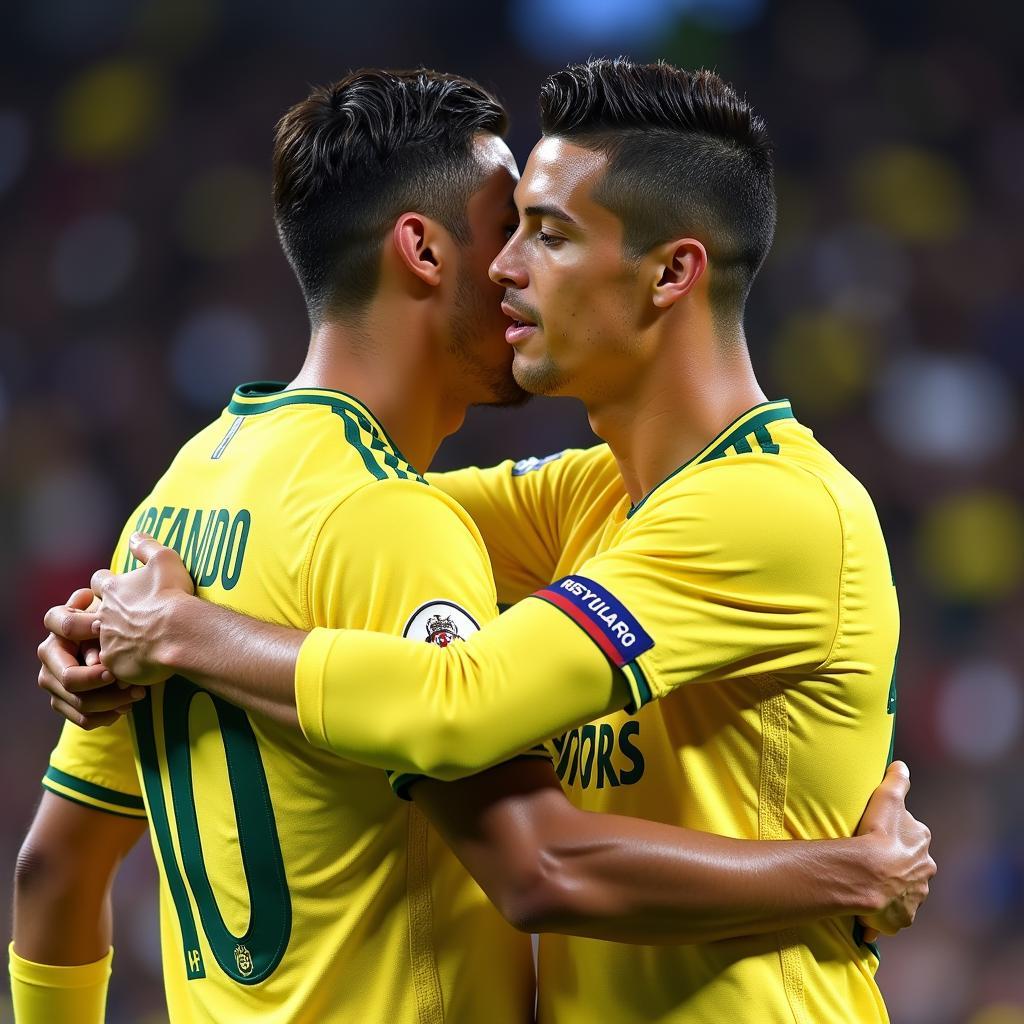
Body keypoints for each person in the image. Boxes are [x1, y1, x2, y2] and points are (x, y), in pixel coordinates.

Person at [33, 61, 933, 1024]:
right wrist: (96, 615)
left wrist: (175, 629)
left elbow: (456, 707)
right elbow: (335, 518)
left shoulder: (772, 509)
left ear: (672, 272)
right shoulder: (595, 495)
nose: (504, 267)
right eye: (508, 233)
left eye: (544, 234)